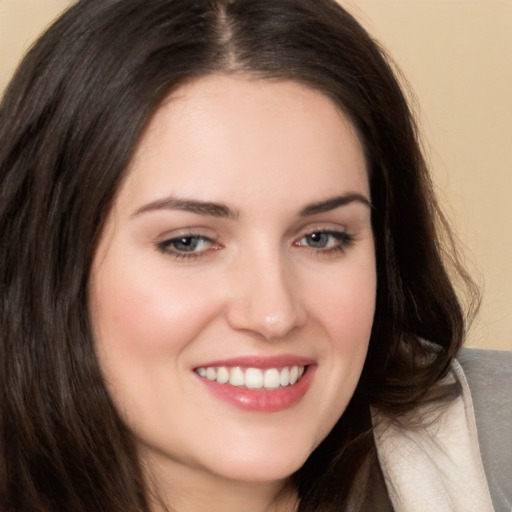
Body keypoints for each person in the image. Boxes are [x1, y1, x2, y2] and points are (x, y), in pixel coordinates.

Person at [0, 1, 510, 511]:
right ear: (55, 260)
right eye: (188, 242)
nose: (274, 314)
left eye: (321, 238)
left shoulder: (492, 443)